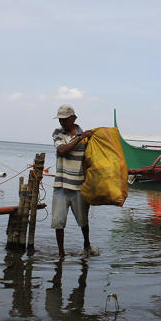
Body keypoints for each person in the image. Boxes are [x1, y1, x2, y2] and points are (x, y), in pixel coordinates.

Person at [51, 104, 96, 258]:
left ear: (74, 118)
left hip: (79, 186)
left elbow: (89, 160)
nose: (62, 123)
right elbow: (62, 151)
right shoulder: (58, 133)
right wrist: (79, 138)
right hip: (61, 185)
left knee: (83, 221)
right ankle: (61, 254)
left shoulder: (86, 136)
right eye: (60, 120)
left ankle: (87, 245)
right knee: (58, 222)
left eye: (65, 119)